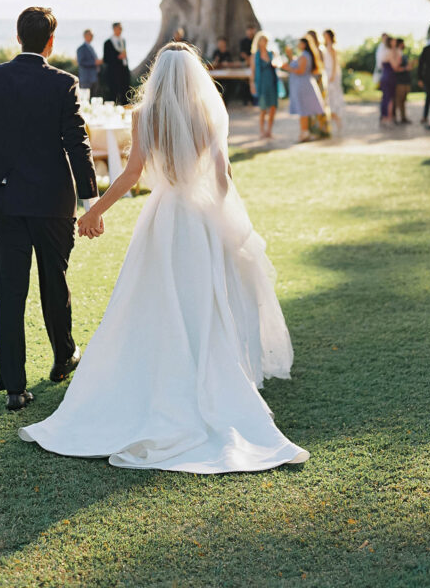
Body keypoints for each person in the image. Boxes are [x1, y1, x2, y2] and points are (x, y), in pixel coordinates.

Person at [19, 42, 309, 473]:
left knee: (149, 302)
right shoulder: (208, 115)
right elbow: (223, 178)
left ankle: (155, 376)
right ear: (194, 76)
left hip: (163, 217)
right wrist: (220, 217)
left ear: (157, 75)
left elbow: (133, 174)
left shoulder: (144, 115)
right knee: (205, 302)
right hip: (199, 220)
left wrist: (95, 210)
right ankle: (210, 376)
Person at [0, 6, 99, 412]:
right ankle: (63, 358)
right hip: (53, 204)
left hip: (5, 204)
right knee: (54, 281)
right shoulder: (63, 83)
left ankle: (14, 389)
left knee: (9, 293)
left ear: (17, 37)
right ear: (51, 42)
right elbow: (78, 142)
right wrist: (90, 202)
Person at [281, 36, 326, 142]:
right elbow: (297, 64)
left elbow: (300, 70)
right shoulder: (304, 56)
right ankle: (305, 132)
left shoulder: (305, 56)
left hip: (303, 86)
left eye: (299, 43)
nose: (297, 45)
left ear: (304, 44)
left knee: (303, 110)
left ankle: (304, 133)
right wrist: (290, 56)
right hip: (302, 85)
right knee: (304, 110)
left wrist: (286, 67)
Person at [251, 31, 278, 139]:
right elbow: (252, 71)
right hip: (261, 84)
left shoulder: (272, 54)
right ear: (259, 42)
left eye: (266, 41)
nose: (265, 42)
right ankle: (262, 131)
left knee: (272, 108)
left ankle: (269, 130)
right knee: (263, 108)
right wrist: (252, 84)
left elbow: (278, 63)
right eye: (263, 40)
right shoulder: (255, 55)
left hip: (272, 83)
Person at [102, 22, 131, 105]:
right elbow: (106, 59)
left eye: (121, 28)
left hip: (124, 70)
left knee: (125, 91)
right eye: (119, 28)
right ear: (114, 29)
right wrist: (118, 57)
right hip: (113, 72)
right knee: (113, 92)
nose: (120, 30)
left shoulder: (123, 40)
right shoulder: (107, 42)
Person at [322, 29, 344, 132]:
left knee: (333, 96)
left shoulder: (332, 48)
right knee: (329, 96)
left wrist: (332, 75)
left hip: (332, 73)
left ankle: (336, 118)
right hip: (328, 72)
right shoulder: (327, 47)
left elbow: (335, 62)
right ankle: (333, 119)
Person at [379, 37, 403, 127]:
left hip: (385, 76)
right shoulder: (390, 52)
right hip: (389, 76)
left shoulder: (386, 52)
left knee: (385, 97)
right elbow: (395, 66)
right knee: (389, 98)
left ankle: (384, 117)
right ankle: (388, 118)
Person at [76, 29, 101, 94]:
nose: (92, 36)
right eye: (90, 35)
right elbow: (81, 62)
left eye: (92, 35)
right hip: (86, 78)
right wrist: (94, 63)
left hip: (94, 77)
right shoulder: (81, 48)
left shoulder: (91, 47)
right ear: (85, 36)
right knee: (85, 98)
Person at [393, 38, 412, 123]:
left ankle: (403, 117)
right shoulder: (396, 54)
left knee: (403, 100)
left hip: (405, 80)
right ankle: (394, 118)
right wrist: (406, 68)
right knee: (397, 100)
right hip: (399, 81)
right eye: (402, 44)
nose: (404, 45)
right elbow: (395, 68)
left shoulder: (402, 54)